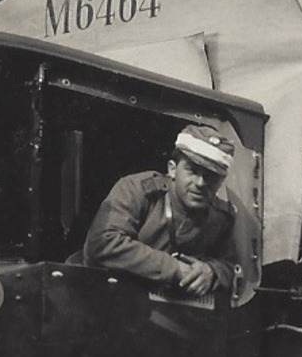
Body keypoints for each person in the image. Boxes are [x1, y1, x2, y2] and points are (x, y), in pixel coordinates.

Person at [78, 124, 241, 297]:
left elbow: (232, 266)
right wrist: (175, 269)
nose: (200, 183)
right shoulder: (138, 190)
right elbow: (103, 242)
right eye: (192, 171)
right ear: (172, 169)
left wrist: (211, 272)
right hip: (100, 294)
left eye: (211, 176)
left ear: (220, 182)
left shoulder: (220, 217)